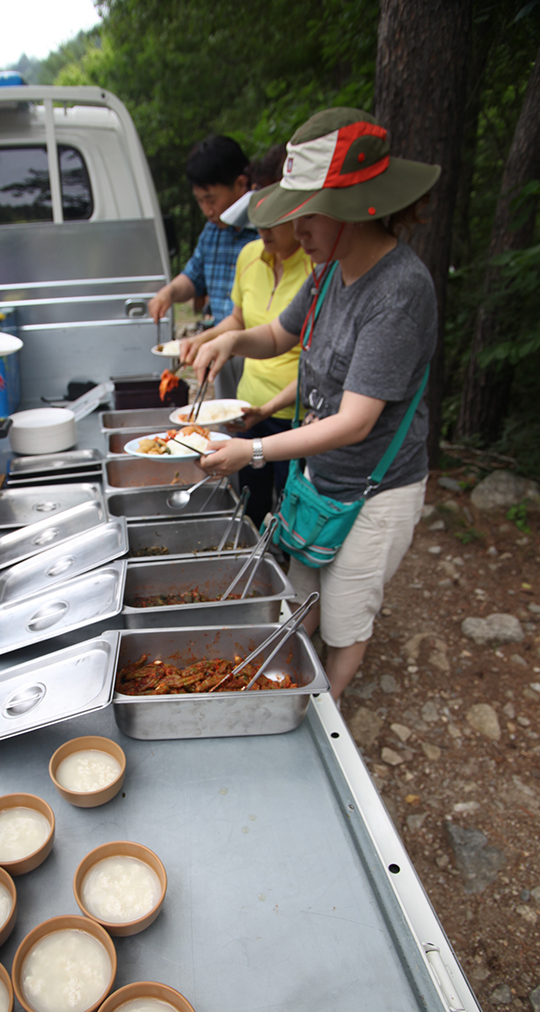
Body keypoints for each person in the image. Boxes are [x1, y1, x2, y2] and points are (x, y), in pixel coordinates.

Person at [192, 108, 440, 701]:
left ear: (352, 210)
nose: (294, 230)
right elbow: (278, 336)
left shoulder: (400, 290)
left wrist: (251, 450)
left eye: (304, 213)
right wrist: (229, 338)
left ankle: (319, 716)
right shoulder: (328, 271)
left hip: (376, 489)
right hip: (320, 479)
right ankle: (288, 686)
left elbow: (355, 422)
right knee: (300, 594)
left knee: (346, 618)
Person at [178, 144, 311, 525]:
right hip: (248, 410)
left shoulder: (316, 268)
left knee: (289, 517)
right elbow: (239, 321)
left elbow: (315, 364)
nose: (263, 228)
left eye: (274, 219)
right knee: (250, 510)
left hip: (295, 417)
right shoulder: (249, 256)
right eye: (258, 219)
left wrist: (270, 409)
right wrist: (204, 341)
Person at [148, 136, 259, 398]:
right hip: (222, 348)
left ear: (241, 184)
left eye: (211, 199)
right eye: (200, 201)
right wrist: (169, 293)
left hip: (259, 351)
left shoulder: (265, 235)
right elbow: (193, 276)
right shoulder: (212, 231)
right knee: (230, 425)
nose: (207, 210)